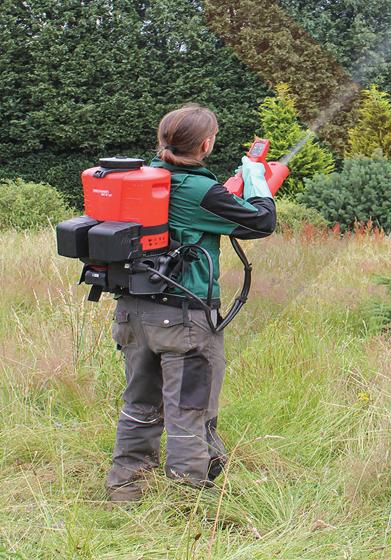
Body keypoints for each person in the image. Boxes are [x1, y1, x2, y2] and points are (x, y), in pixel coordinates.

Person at [106, 103, 276, 503]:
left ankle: (125, 491)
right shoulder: (199, 190)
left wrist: (227, 192)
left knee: (139, 406)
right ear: (205, 144)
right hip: (184, 319)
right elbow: (261, 222)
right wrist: (257, 181)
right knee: (189, 410)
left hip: (132, 313)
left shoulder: (143, 179)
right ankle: (188, 503)